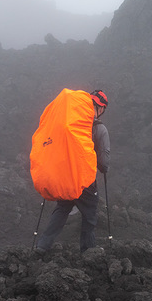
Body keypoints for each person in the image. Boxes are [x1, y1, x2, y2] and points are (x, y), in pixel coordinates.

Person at [35, 89, 110, 254]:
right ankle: (88, 250)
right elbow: (104, 161)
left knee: (62, 209)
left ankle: (42, 245)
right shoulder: (99, 128)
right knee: (90, 212)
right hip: (85, 179)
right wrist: (104, 168)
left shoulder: (71, 122)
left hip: (67, 176)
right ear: (101, 108)